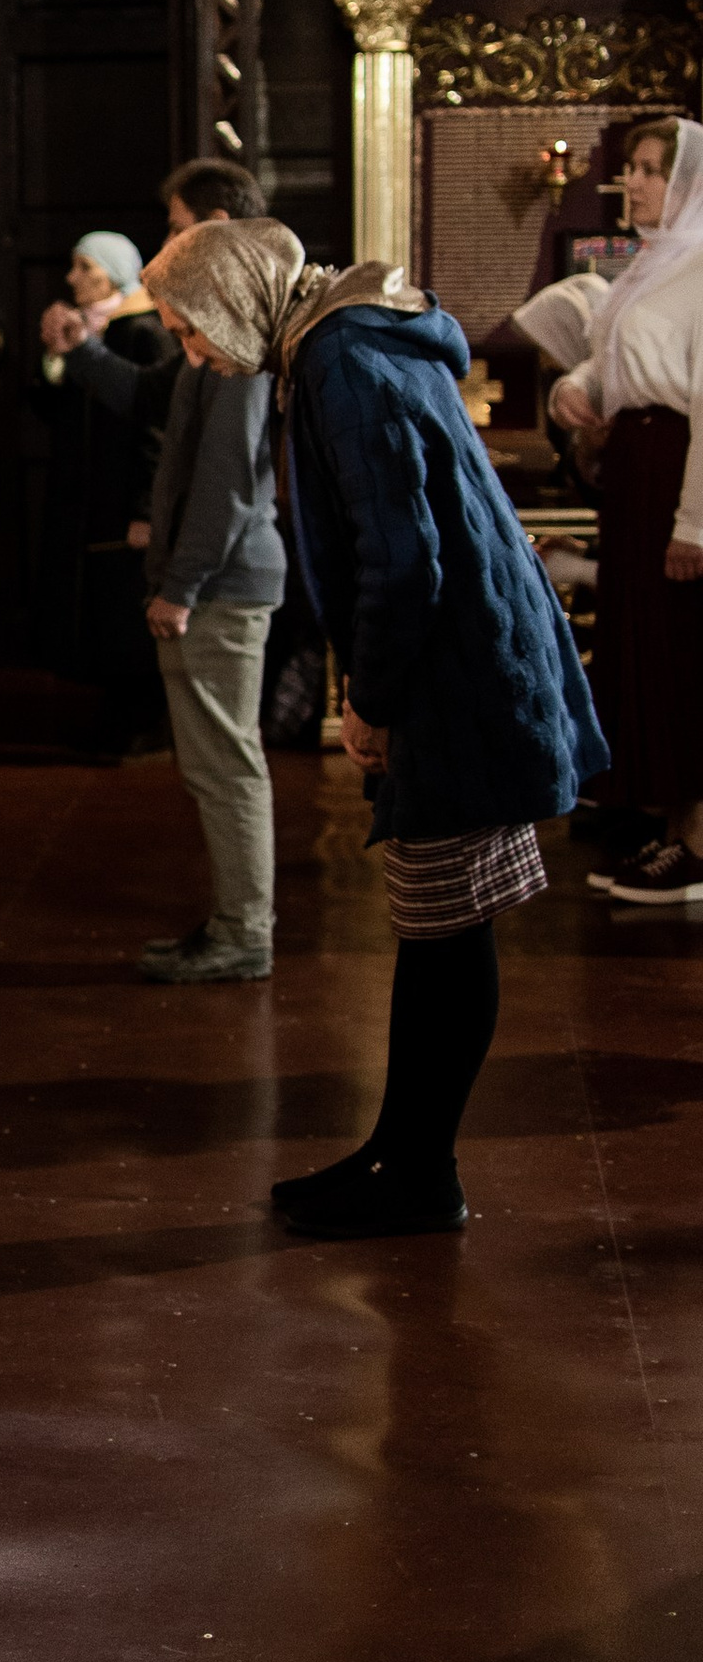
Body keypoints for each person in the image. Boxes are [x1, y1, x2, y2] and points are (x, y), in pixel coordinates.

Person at [146, 215, 603, 1242]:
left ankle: (419, 1172)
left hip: (456, 668)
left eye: (190, 330)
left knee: (448, 924)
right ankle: (399, 1151)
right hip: (460, 656)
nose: (198, 355)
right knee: (438, 924)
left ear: (231, 298)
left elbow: (405, 558)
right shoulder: (339, 342)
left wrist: (372, 698)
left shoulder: (342, 357)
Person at [46, 176, 284, 981]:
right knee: (212, 765)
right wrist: (81, 353)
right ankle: (231, 922)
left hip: (224, 581)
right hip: (211, 577)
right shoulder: (209, 341)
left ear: (218, 230)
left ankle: (244, 932)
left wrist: (181, 582)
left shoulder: (240, 342)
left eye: (179, 227)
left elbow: (227, 483)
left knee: (225, 765)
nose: (166, 244)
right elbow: (153, 403)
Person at [548, 115, 703, 906]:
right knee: (642, 645)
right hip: (637, 466)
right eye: (634, 168)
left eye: (652, 170)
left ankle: (694, 836)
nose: (635, 182)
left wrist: (695, 522)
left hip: (678, 468)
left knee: (682, 651)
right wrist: (573, 388)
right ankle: (657, 818)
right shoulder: (653, 264)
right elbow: (609, 357)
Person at [34, 231, 175, 748]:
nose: (73, 279)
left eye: (85, 268)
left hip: (124, 494)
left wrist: (145, 507)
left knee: (125, 606)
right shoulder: (89, 330)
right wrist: (56, 359)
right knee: (99, 605)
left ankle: (142, 717)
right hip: (88, 493)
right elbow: (54, 413)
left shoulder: (142, 332)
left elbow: (155, 428)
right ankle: (114, 708)